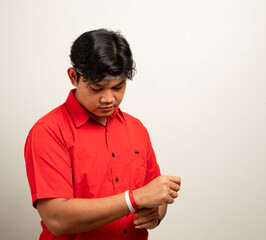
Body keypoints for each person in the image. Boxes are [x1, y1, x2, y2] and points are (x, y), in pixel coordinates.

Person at [24, 29, 181, 240]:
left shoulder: (136, 129)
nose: (109, 99)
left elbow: (154, 194)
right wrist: (133, 199)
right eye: (97, 88)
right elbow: (56, 219)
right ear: (73, 76)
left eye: (118, 87)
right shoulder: (49, 132)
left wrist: (156, 214)